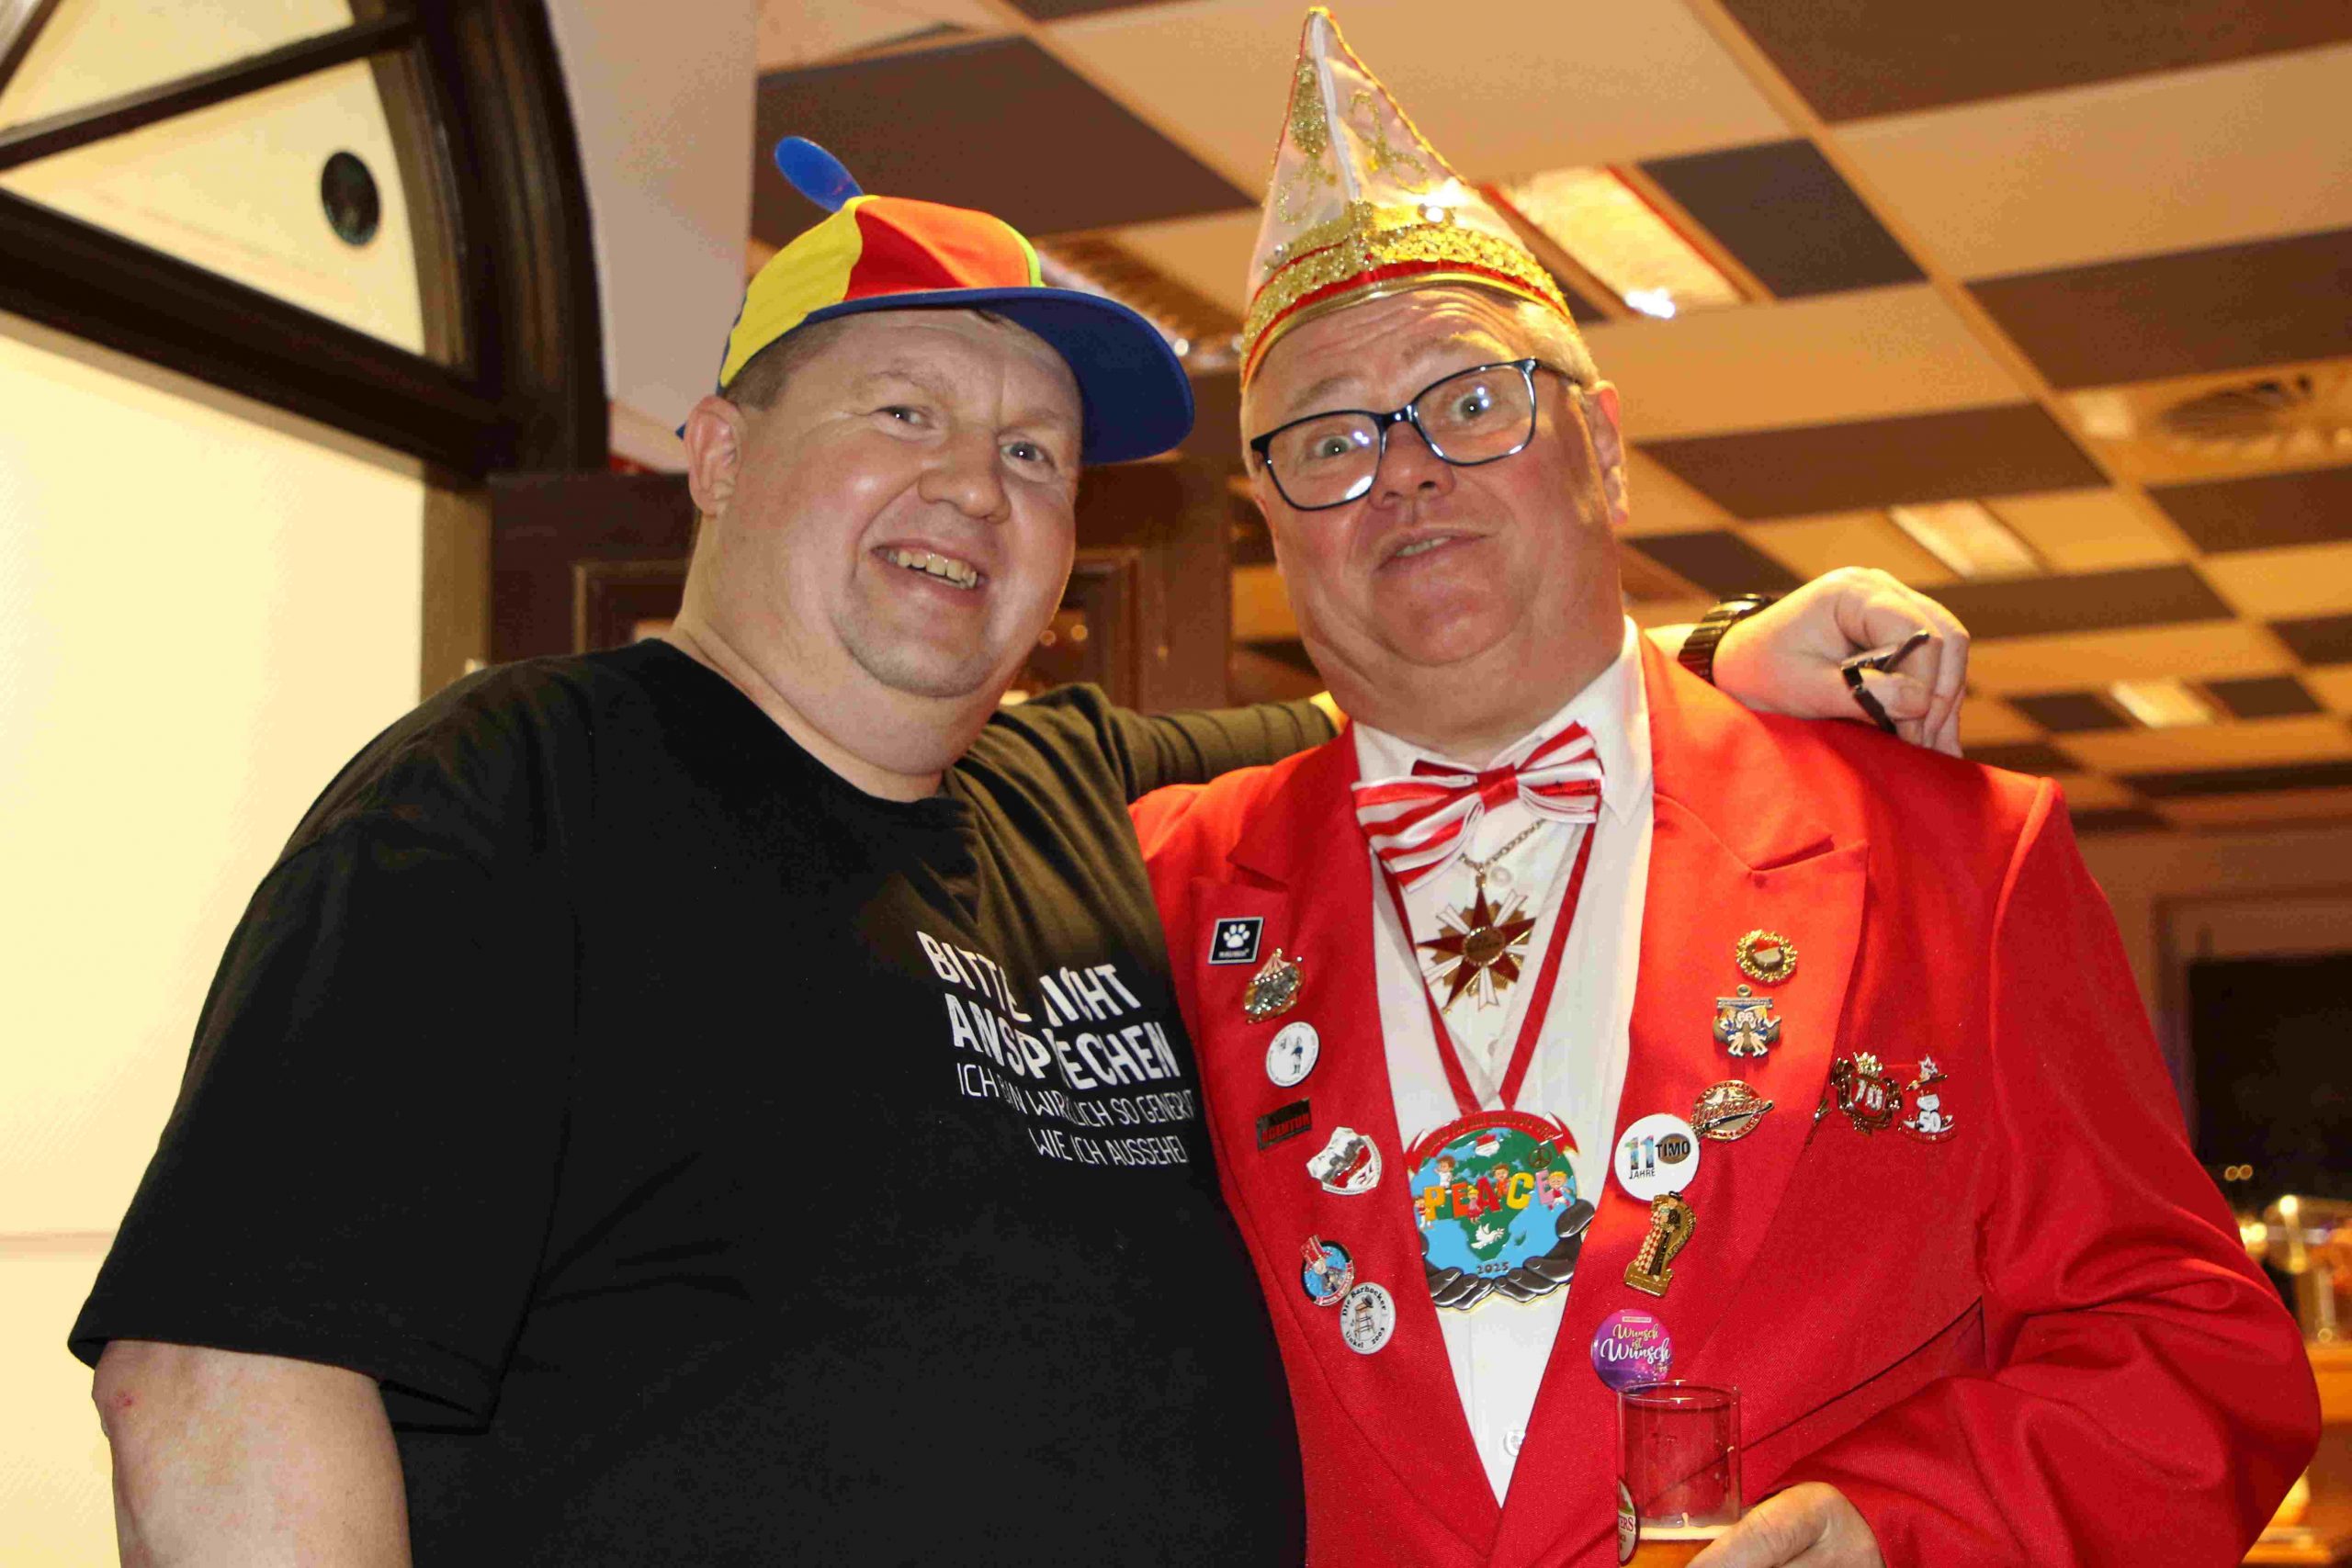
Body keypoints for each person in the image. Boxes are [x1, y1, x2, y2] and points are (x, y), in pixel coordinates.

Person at [71, 137, 1972, 1565]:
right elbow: (227, 1371)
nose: (971, 489)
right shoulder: (505, 798)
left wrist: (1719, 650)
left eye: (1034, 455)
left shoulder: (1095, 798)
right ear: (719, 454)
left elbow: (1445, 697)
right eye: (902, 411)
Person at [1131, 13, 2320, 1568]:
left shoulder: (1958, 857)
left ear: (1603, 448)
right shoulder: (1155, 893)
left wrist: (1898, 1528)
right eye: (1326, 439)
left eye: (1470, 400)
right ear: (1269, 522)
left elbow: (2192, 1356)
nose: (1403, 470)